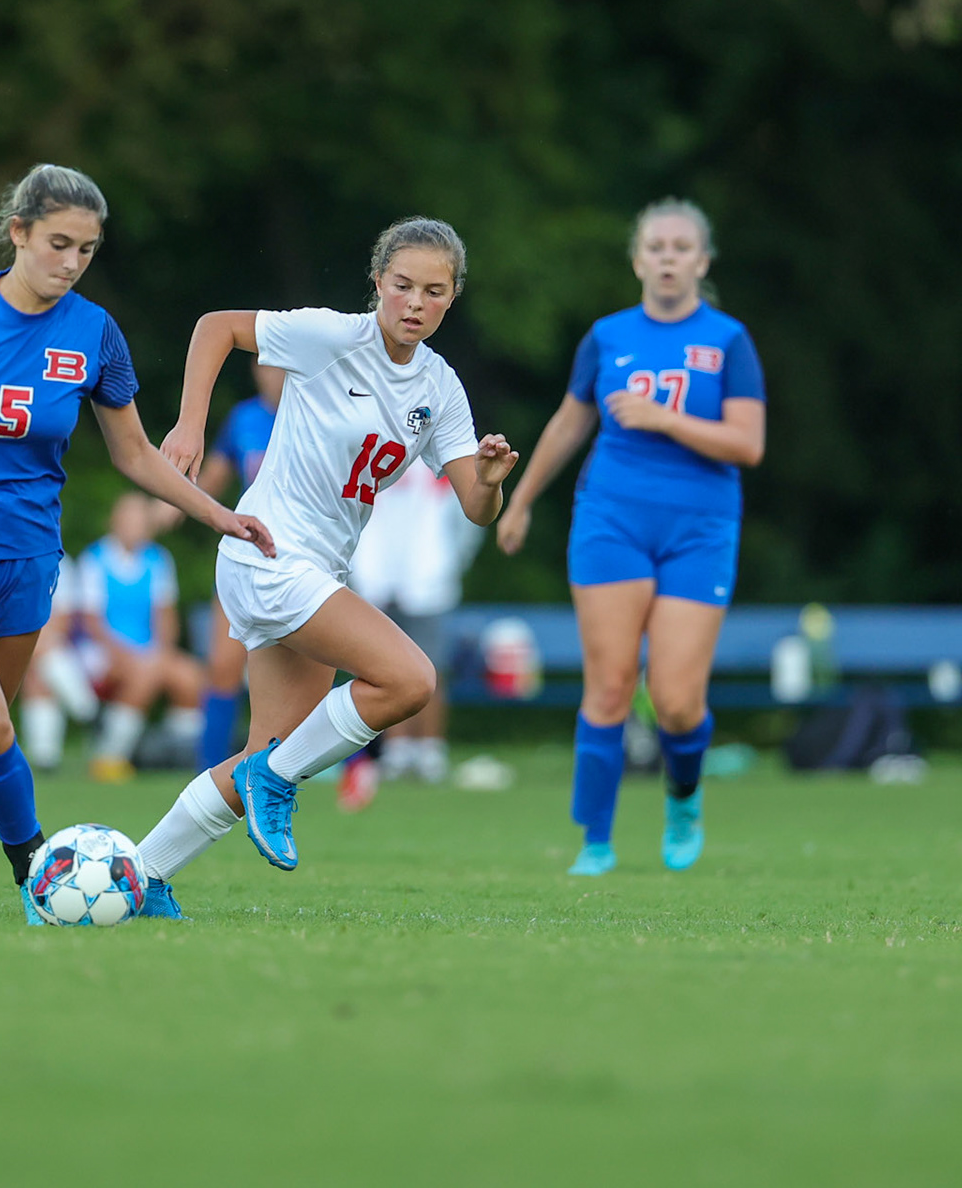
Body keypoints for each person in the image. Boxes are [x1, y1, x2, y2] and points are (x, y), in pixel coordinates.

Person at [0, 162, 273, 923]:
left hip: (29, 555)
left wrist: (215, 513)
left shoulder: (97, 334)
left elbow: (134, 455)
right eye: (58, 244)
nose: (71, 264)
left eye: (88, 250)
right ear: (18, 233)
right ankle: (38, 874)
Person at [133, 217, 517, 918]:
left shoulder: (440, 387)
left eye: (433, 291)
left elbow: (475, 509)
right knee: (408, 679)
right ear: (378, 284)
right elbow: (216, 326)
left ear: (451, 298)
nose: (415, 302)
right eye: (402, 285)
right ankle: (271, 781)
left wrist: (489, 480)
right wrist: (191, 425)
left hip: (315, 572)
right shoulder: (333, 337)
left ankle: (136, 876)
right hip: (269, 554)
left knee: (268, 749)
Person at [495, 198, 765, 876]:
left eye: (682, 247)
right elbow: (568, 424)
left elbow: (747, 445)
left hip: (699, 528)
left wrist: (663, 419)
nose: (669, 258)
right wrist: (520, 500)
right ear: (638, 259)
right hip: (611, 518)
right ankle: (596, 841)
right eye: (656, 246)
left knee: (676, 700)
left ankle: (683, 798)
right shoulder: (607, 336)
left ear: (702, 262)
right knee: (610, 686)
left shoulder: (729, 340)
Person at [348, 462, 486, 785]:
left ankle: (430, 749)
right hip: (376, 576)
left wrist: (451, 564)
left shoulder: (439, 460)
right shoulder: (371, 454)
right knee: (384, 670)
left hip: (427, 576)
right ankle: (397, 750)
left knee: (432, 667)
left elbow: (469, 514)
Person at [193, 360, 282, 771]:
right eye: (265, 367)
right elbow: (215, 475)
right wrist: (176, 501)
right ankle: (209, 769)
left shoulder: (315, 413)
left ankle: (295, 766)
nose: (273, 375)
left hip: (299, 560)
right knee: (224, 666)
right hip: (245, 557)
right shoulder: (244, 418)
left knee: (295, 675)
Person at [77, 492, 203, 782]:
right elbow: (93, 625)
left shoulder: (158, 559)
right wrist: (136, 657)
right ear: (115, 522)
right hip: (102, 652)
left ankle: (177, 755)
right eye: (128, 519)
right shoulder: (94, 559)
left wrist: (162, 652)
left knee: (190, 677)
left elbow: (165, 617)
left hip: (148, 652)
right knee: (144, 674)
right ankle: (110, 756)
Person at [16, 554, 99, 770]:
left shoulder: (63, 564)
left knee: (40, 669)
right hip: (11, 639)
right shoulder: (9, 557)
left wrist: (39, 642)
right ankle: (86, 709)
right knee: (45, 660)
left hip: (51, 642)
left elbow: (63, 620)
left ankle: (45, 757)